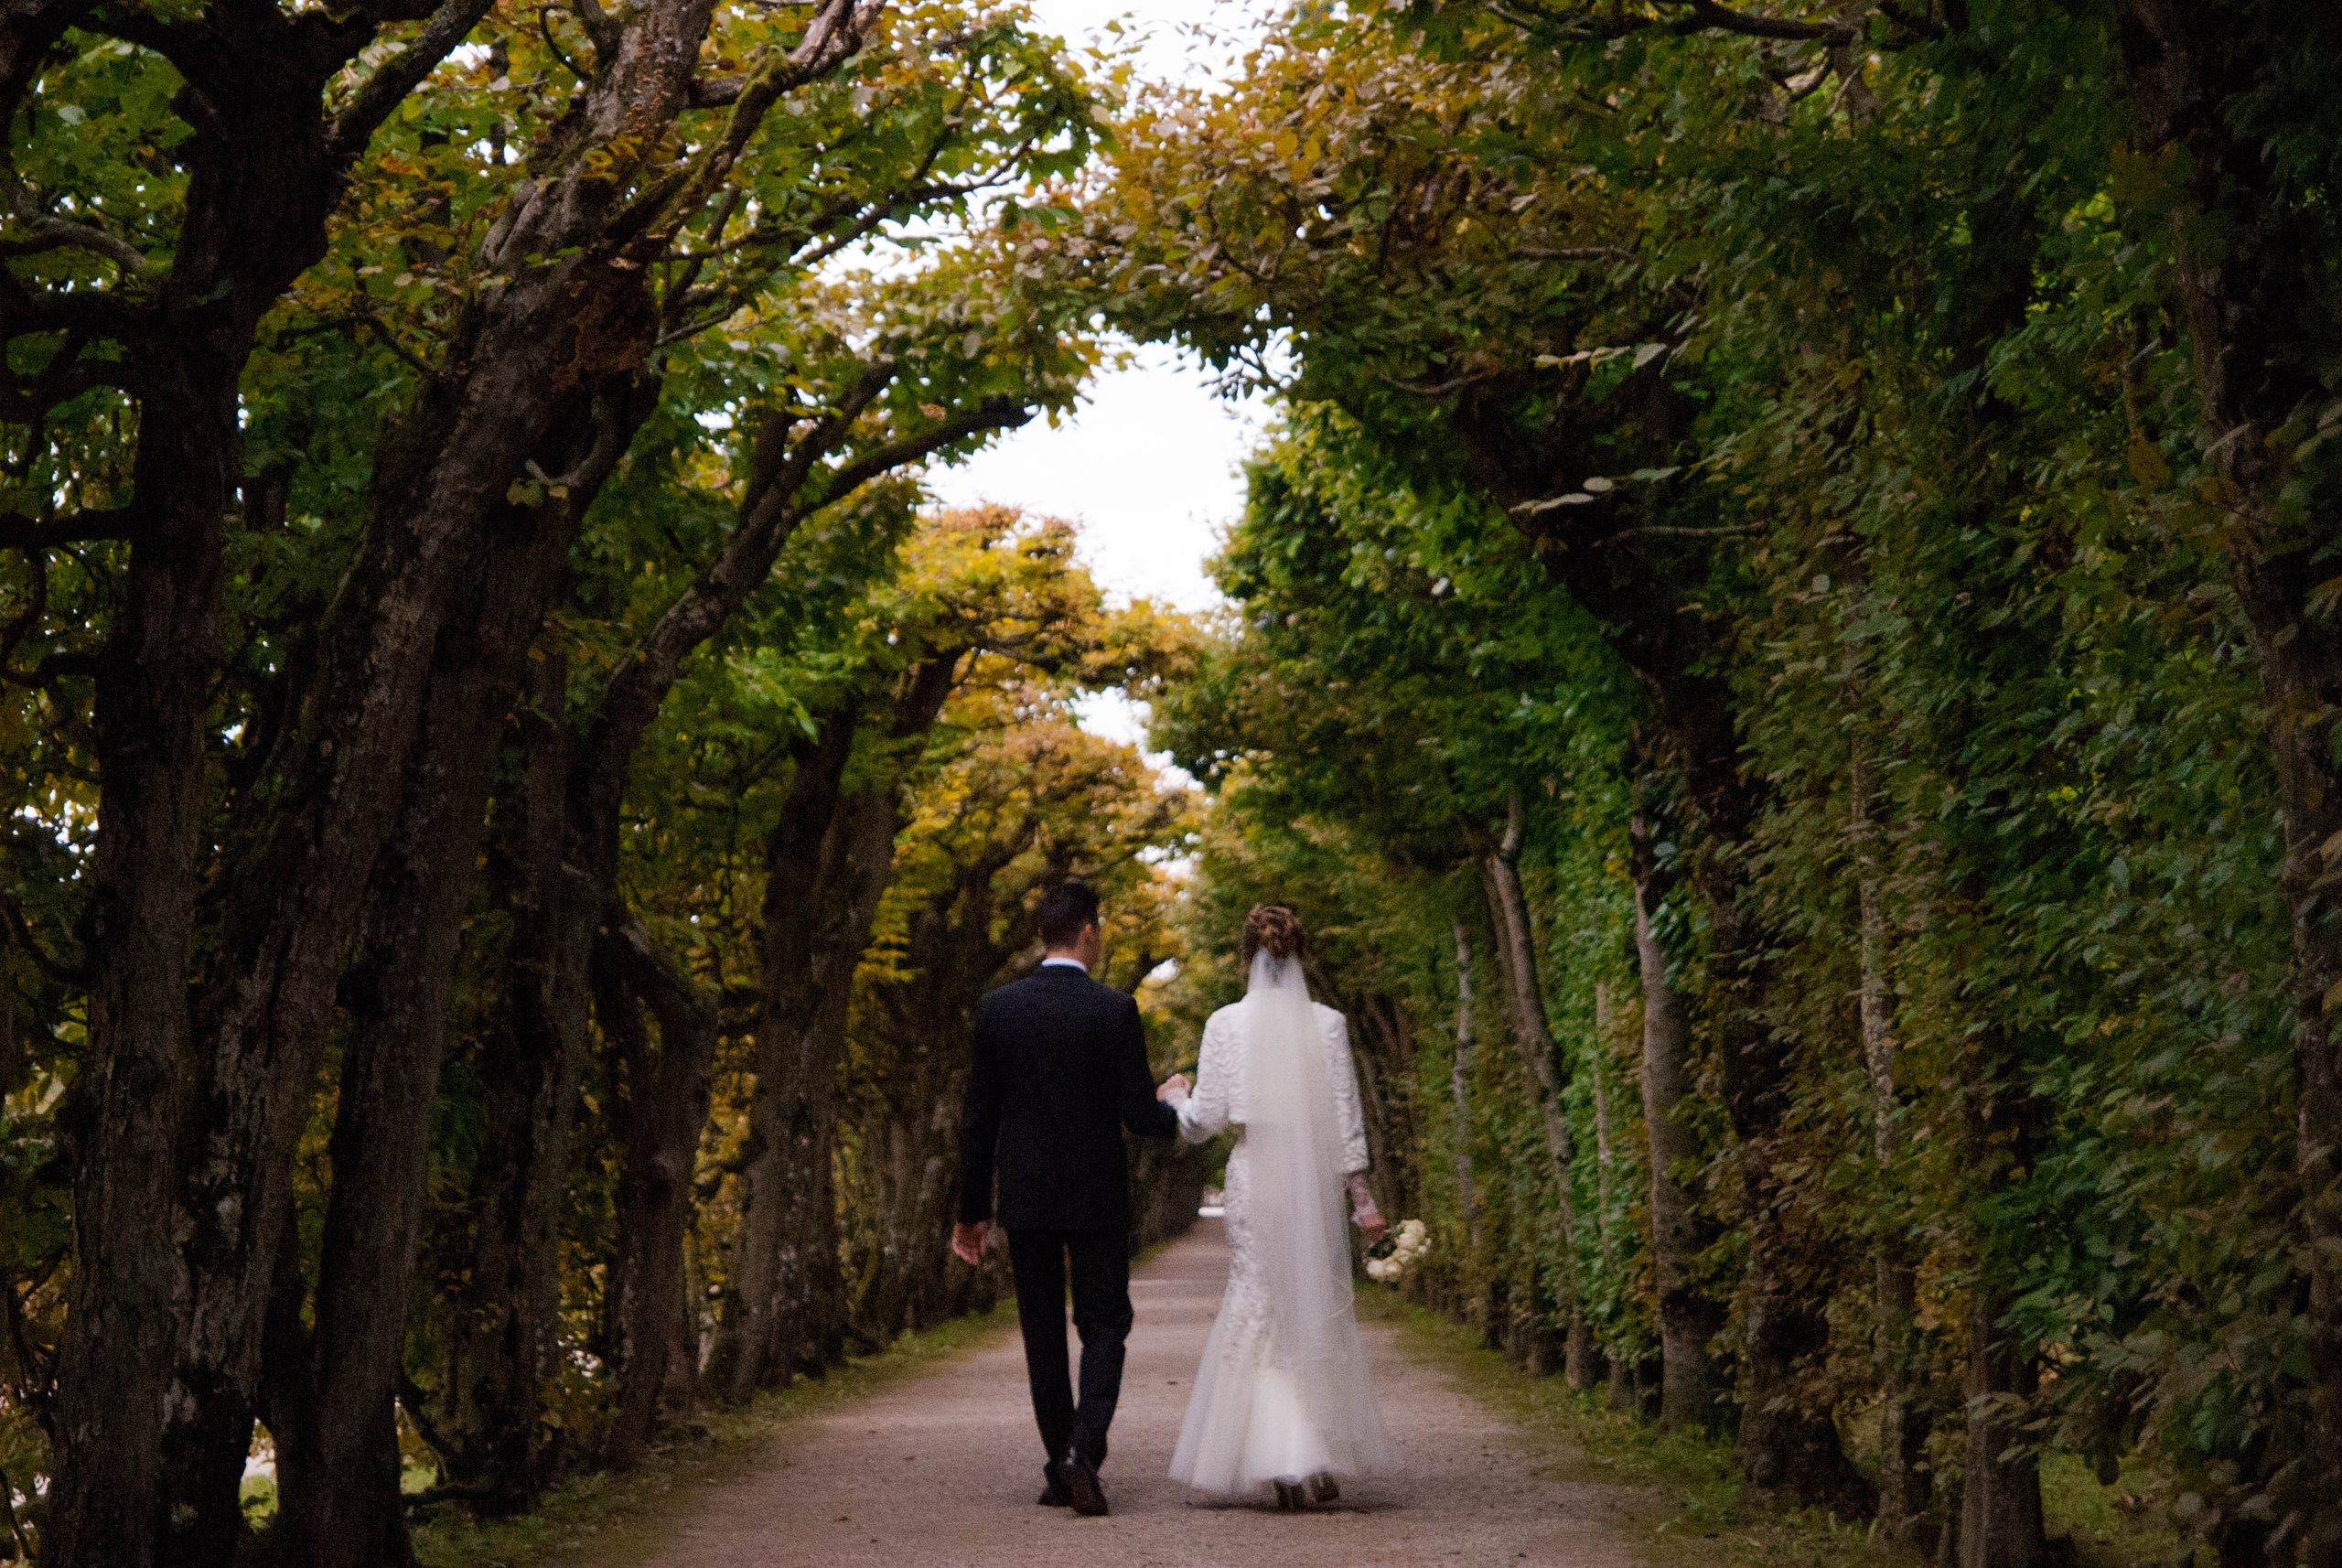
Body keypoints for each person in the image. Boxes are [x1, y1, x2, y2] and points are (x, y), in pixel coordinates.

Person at [951, 881, 1182, 1518]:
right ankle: (1086, 1451)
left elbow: (978, 1121)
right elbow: (1140, 1118)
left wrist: (971, 1210)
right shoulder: (1113, 1010)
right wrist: (1174, 1102)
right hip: (1097, 1196)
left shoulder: (998, 1009)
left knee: (1043, 1332)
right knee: (1106, 1324)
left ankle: (1061, 1466)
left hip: (1025, 1198)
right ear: (1087, 931)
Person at [1160, 903, 1396, 1508]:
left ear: (1247, 957)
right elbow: (1345, 1120)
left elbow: (1206, 1122)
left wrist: (1179, 1099)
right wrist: (1363, 1204)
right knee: (1310, 1307)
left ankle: (1283, 1459)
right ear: (1301, 956)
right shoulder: (1329, 1025)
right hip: (1314, 1182)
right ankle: (1311, 1449)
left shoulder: (1225, 1024)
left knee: (1258, 1306)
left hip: (1255, 1173)